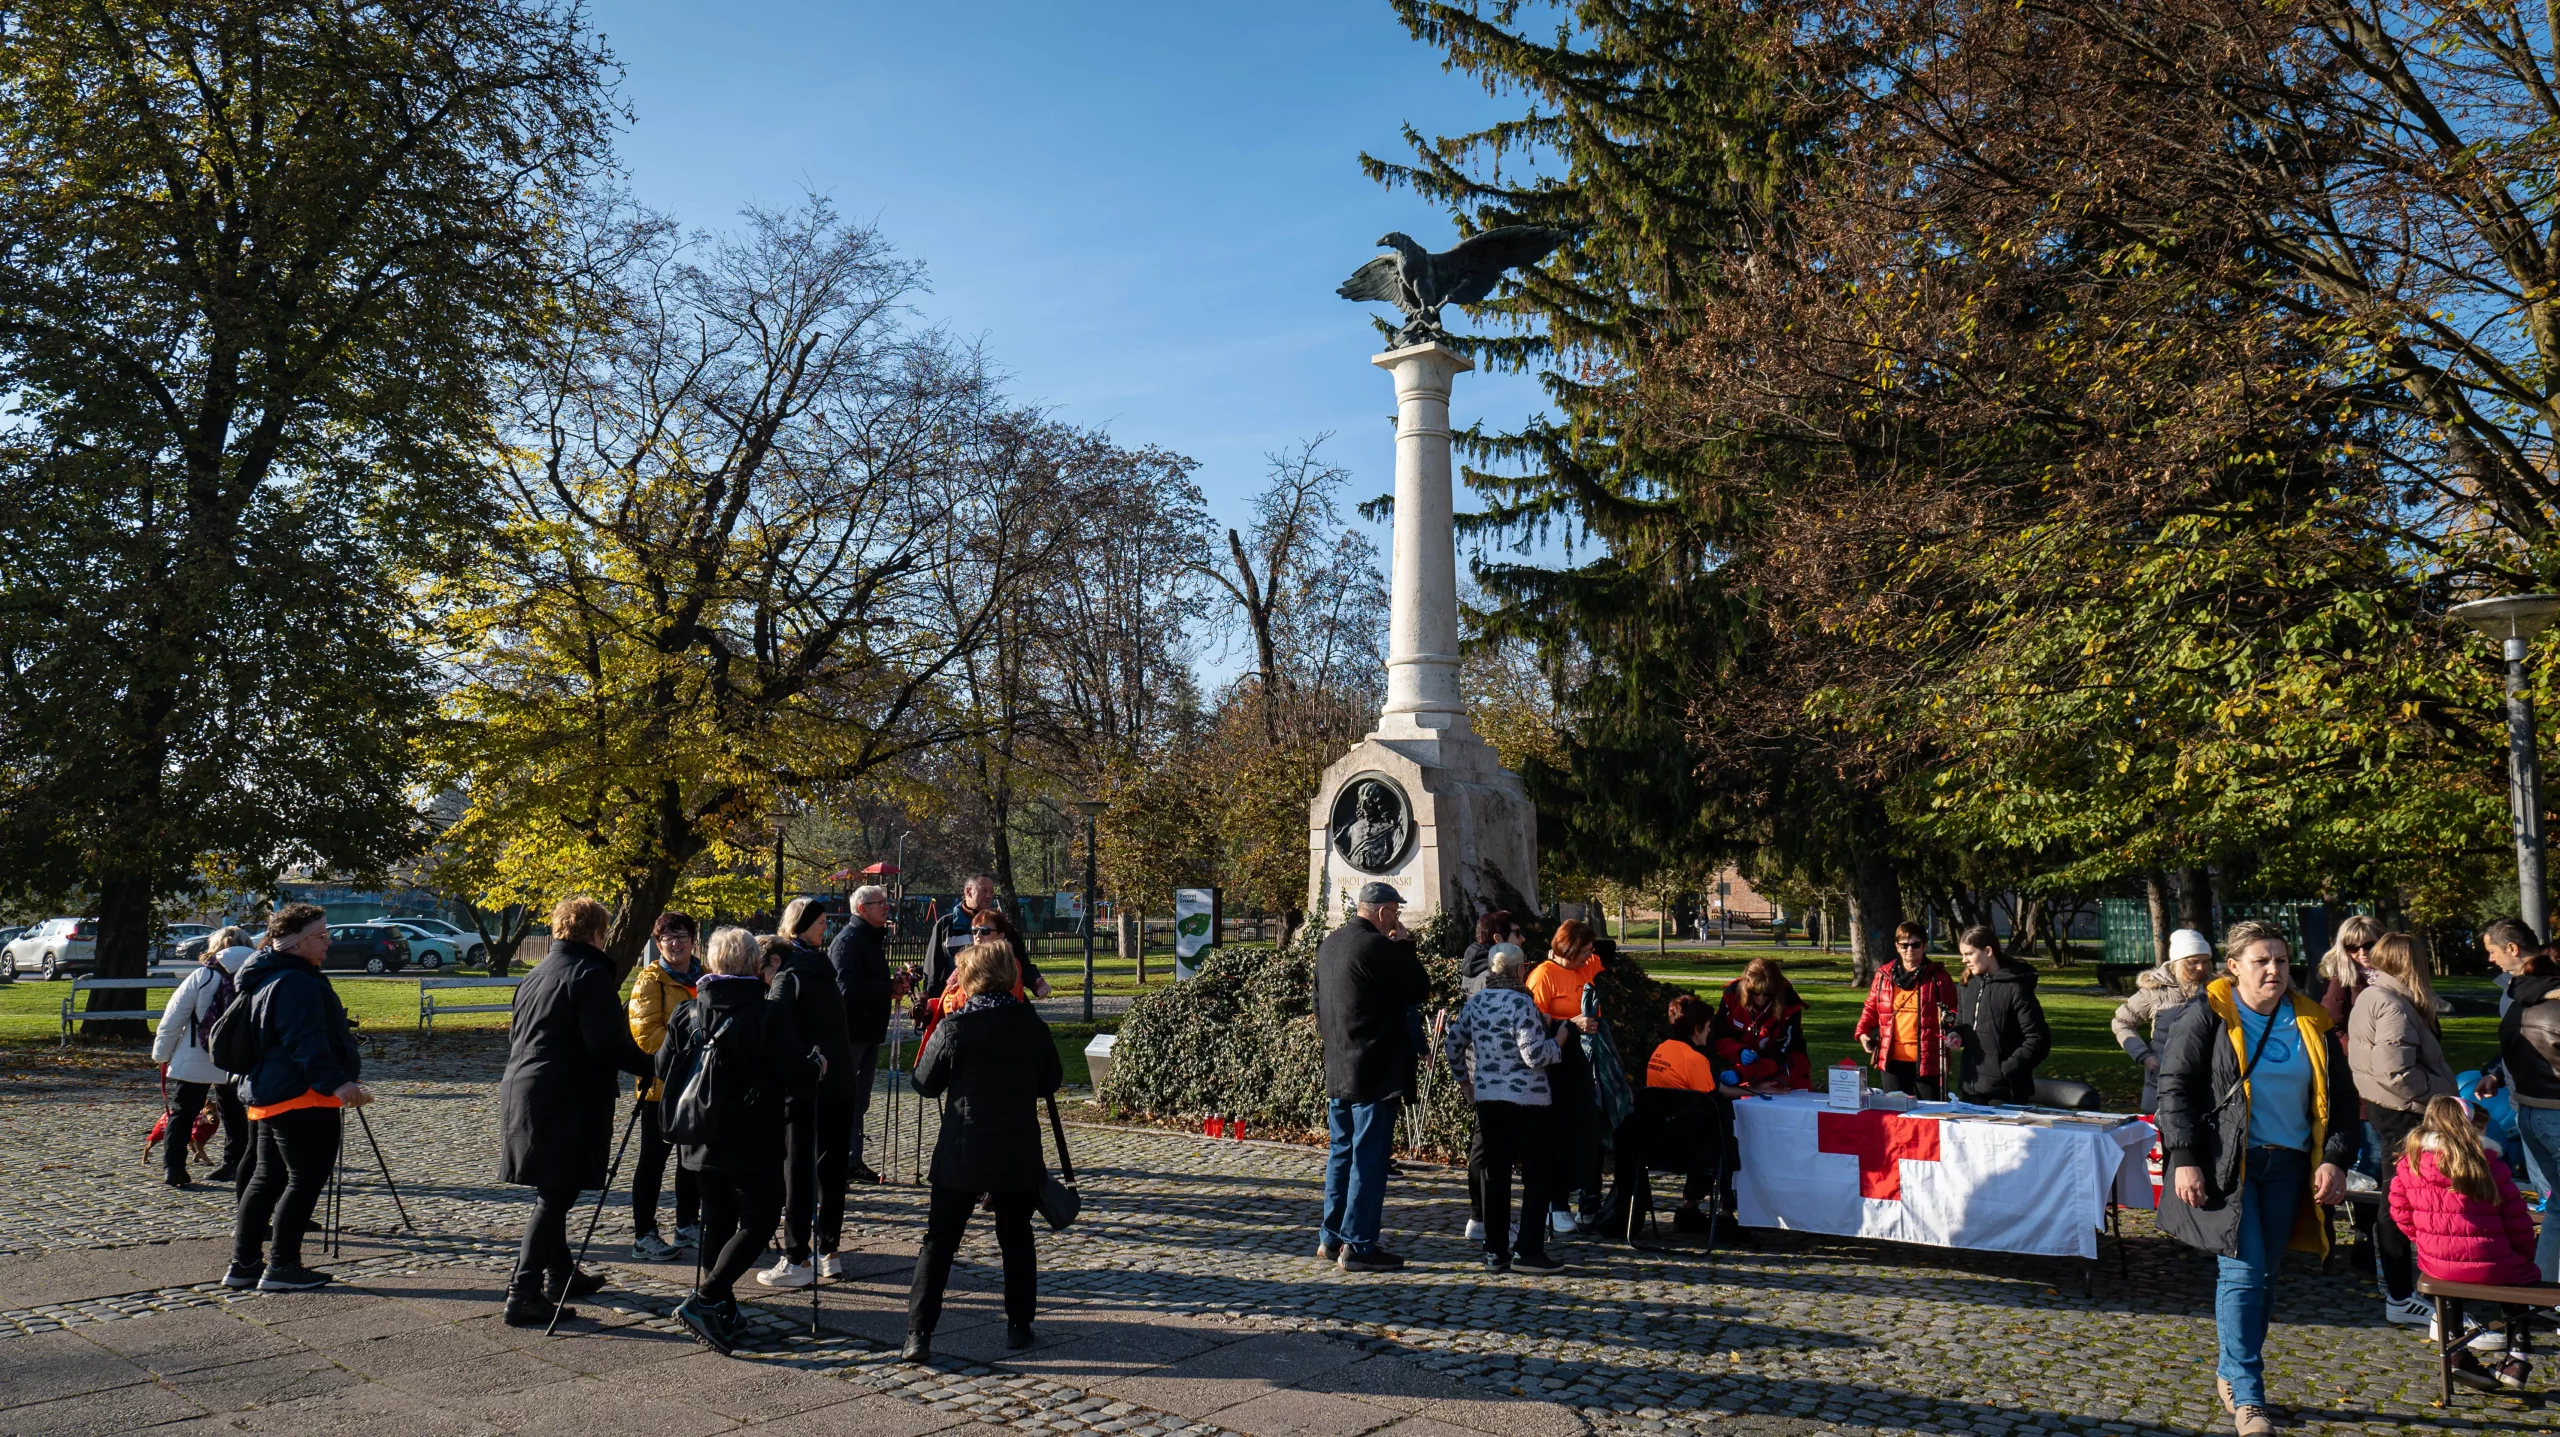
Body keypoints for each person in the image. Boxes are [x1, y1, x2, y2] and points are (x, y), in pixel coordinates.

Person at [2155, 918, 2355, 1437]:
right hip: (2230, 1167)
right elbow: (2174, 1088)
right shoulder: (2208, 1015)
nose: (2273, 970)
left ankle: (2231, 1371)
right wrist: (2184, 1156)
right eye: (2261, 961)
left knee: (2265, 1278)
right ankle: (2248, 1397)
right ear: (2233, 967)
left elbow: (2342, 1100)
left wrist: (2335, 1157)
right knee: (2243, 1275)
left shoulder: (2310, 1020)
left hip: (2289, 1167)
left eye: (2281, 960)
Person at [497, 897, 655, 1328]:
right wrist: (653, 1065)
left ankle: (561, 1274)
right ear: (596, 933)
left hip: (526, 1087)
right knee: (555, 1196)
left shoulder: (537, 973)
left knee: (553, 1189)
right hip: (563, 1094)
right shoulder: (589, 973)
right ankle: (522, 1293)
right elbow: (604, 1043)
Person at [903, 940, 1063, 1361]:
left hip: (963, 1147)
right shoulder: (1030, 1025)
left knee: (939, 1242)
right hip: (1016, 1147)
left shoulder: (956, 1027)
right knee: (1016, 1237)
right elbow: (1052, 1080)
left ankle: (919, 1333)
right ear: (1009, 975)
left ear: (969, 979)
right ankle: (1019, 1326)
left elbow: (925, 1084)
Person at [670, 926, 813, 1356]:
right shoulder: (767, 1014)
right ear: (754, 964)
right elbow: (795, 1072)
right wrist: (816, 1066)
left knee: (717, 1221)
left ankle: (723, 1309)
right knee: (760, 1221)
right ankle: (707, 1298)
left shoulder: (687, 1011)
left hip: (700, 1135)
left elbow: (663, 1066)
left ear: (712, 962)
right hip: (752, 1136)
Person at [226, 904, 370, 1294]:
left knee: (267, 1178)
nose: (328, 943)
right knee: (303, 1180)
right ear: (295, 943)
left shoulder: (271, 974)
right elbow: (304, 1042)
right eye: (320, 936)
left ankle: (244, 1264)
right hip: (302, 1096)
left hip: (274, 1092)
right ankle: (282, 1266)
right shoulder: (296, 981)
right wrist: (337, 1083)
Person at [2391, 1094, 2553, 1393]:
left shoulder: (2409, 1163)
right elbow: (2516, 1221)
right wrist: (2524, 1256)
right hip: (2492, 1263)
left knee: (2446, 1278)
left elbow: (2400, 1213)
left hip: (2436, 1262)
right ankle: (2517, 1357)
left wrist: (2425, 1242)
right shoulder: (2489, 1165)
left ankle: (2456, 1351)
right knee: (2519, 1276)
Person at [2342, 930, 2459, 1327]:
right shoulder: (2390, 1003)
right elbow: (2396, 1072)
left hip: (2393, 1109)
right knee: (2402, 1202)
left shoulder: (2381, 997)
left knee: (2399, 1198)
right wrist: (2441, 1093)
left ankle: (2403, 1290)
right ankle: (2402, 1293)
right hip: (2403, 1113)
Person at [1313, 881, 1431, 1271]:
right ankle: (1360, 1245)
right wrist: (1406, 946)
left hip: (1340, 1066)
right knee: (1369, 1158)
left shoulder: (1330, 944)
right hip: (1375, 1070)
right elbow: (1418, 988)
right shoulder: (1376, 946)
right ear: (1382, 911)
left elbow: (1318, 1005)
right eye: (1395, 912)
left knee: (1342, 1154)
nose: (1396, 919)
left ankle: (1331, 1237)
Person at [1443, 943, 1566, 1273]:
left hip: (1489, 1100)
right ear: (1520, 970)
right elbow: (1534, 1055)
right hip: (1529, 1101)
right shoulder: (1521, 1003)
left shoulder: (1477, 1002)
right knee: (1537, 1175)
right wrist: (1559, 1042)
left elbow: (1453, 1044)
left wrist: (1465, 1083)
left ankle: (1496, 1250)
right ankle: (1528, 1251)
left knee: (1495, 1175)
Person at [759, 896, 859, 1288]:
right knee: (831, 1172)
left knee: (799, 1170)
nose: (825, 929)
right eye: (819, 923)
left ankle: (797, 1256)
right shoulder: (822, 969)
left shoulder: (790, 975)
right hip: (839, 1080)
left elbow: (772, 1026)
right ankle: (828, 1252)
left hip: (807, 1081)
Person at [2474, 916, 2560, 1280]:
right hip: (2547, 1110)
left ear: (2513, 948)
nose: (2490, 959)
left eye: (2492, 951)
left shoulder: (2519, 995)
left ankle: (2547, 1290)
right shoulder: (2534, 993)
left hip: (2530, 1108)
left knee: (2556, 1208)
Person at [627, 911, 703, 1261]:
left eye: (681, 936)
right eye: (667, 938)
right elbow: (647, 1036)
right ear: (658, 944)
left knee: (691, 1160)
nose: (675, 943)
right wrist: (692, 1054)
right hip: (660, 1088)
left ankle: (687, 1223)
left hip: (698, 1086)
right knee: (652, 1162)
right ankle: (644, 1234)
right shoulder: (650, 981)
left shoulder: (704, 976)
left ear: (693, 940)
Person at [1635, 993, 1743, 1234]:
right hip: (1691, 1149)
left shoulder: (1660, 1051)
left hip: (1655, 1144)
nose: (1709, 1032)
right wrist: (1751, 1092)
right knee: (1726, 1136)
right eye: (1708, 1027)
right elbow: (1712, 1100)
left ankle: (1690, 1207)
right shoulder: (1695, 1059)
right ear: (1696, 1029)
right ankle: (1725, 1211)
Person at [154, 926, 252, 1189]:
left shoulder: (203, 976)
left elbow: (174, 1017)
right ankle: (235, 1162)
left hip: (197, 1051)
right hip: (240, 1054)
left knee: (183, 1112)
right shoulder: (258, 974)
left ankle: (174, 1167)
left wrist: (162, 1054)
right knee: (234, 1111)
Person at [1527, 920, 1608, 1232]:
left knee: (1588, 1130)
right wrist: (1573, 1023)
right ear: (1568, 950)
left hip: (1585, 1062)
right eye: (1583, 951)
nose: (1589, 956)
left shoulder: (1586, 966)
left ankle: (1589, 1200)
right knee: (1560, 1134)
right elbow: (1536, 1024)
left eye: (1589, 951)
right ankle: (1557, 1204)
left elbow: (1607, 952)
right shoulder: (1544, 976)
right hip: (1557, 1065)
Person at [829, 883, 909, 1186]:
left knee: (859, 1100)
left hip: (869, 1031)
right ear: (862, 909)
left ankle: (851, 1161)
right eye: (880, 903)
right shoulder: (848, 941)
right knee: (847, 1099)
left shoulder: (870, 938)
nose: (887, 907)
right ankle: (841, 1161)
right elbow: (846, 989)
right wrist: (887, 989)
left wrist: (894, 985)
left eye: (886, 902)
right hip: (852, 1033)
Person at [1854, 922, 1960, 1100]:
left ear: (1924, 946)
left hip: (1928, 1060)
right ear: (1897, 946)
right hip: (1892, 1060)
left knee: (1930, 1112)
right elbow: (1871, 1008)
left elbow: (1954, 1011)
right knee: (1896, 1111)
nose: (1909, 950)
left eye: (1915, 944)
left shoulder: (1939, 977)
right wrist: (1862, 1032)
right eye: (1904, 945)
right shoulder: (1883, 976)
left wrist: (1953, 1032)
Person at [2114, 928, 2215, 1112]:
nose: (2201, 968)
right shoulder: (2155, 991)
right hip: (2163, 1084)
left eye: (2205, 961)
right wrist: (2144, 1056)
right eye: (2193, 962)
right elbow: (2121, 1022)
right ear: (2178, 962)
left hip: (2208, 1084)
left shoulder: (2217, 989)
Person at [1952, 925, 2050, 1104]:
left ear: (1988, 951)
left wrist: (2006, 1069)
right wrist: (1956, 1034)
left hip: (2006, 1093)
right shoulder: (1967, 985)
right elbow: (1962, 1022)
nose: (1964, 960)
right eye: (1962, 954)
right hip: (1971, 1088)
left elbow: (2038, 1039)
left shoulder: (2015, 987)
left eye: (1969, 954)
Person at [921, 875, 1048, 1006]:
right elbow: (933, 971)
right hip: (959, 1003)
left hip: (998, 1003)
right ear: (968, 892)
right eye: (984, 891)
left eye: (991, 892)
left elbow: (1021, 962)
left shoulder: (1000, 924)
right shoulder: (945, 926)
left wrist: (1036, 982)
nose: (988, 896)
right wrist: (931, 1004)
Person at [1708, 958, 1811, 1093]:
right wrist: (1739, 1051)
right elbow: (1721, 1036)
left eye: (1767, 994)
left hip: (1787, 1068)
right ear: (1747, 988)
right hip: (1744, 1067)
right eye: (1755, 993)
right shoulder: (1732, 995)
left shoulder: (1789, 1005)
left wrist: (1741, 1073)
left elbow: (1781, 1053)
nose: (1761, 999)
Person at [2318, 913, 2385, 1029]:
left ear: (2383, 943)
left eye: (2369, 945)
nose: (2362, 952)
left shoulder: (2399, 972)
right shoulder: (2339, 978)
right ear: (2343, 949)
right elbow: (2332, 1025)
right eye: (2352, 947)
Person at [1460, 909, 1520, 999]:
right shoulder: (1497, 976)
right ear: (1498, 939)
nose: (1523, 939)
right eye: (1517, 933)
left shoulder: (1472, 968)